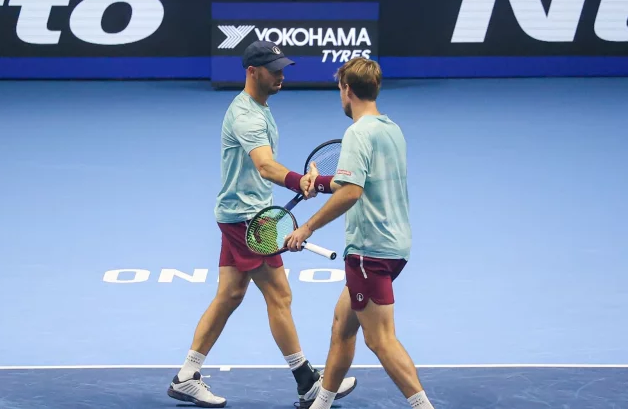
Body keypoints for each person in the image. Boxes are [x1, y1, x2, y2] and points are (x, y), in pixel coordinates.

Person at [166, 40, 357, 408]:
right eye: (274, 70)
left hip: (242, 212)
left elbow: (265, 166)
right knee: (280, 295)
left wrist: (296, 181)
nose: (282, 76)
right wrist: (300, 180)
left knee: (230, 295)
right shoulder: (248, 117)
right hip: (247, 219)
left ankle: (186, 376)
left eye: (283, 68)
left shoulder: (258, 107)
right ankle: (307, 383)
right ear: (252, 72)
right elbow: (266, 166)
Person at [284, 57, 436, 409]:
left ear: (347, 90)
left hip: (370, 251)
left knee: (380, 340)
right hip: (395, 245)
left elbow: (351, 192)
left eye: (340, 89)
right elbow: (350, 180)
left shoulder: (357, 132)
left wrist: (307, 227)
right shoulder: (390, 129)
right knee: (342, 324)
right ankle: (321, 403)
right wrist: (317, 183)